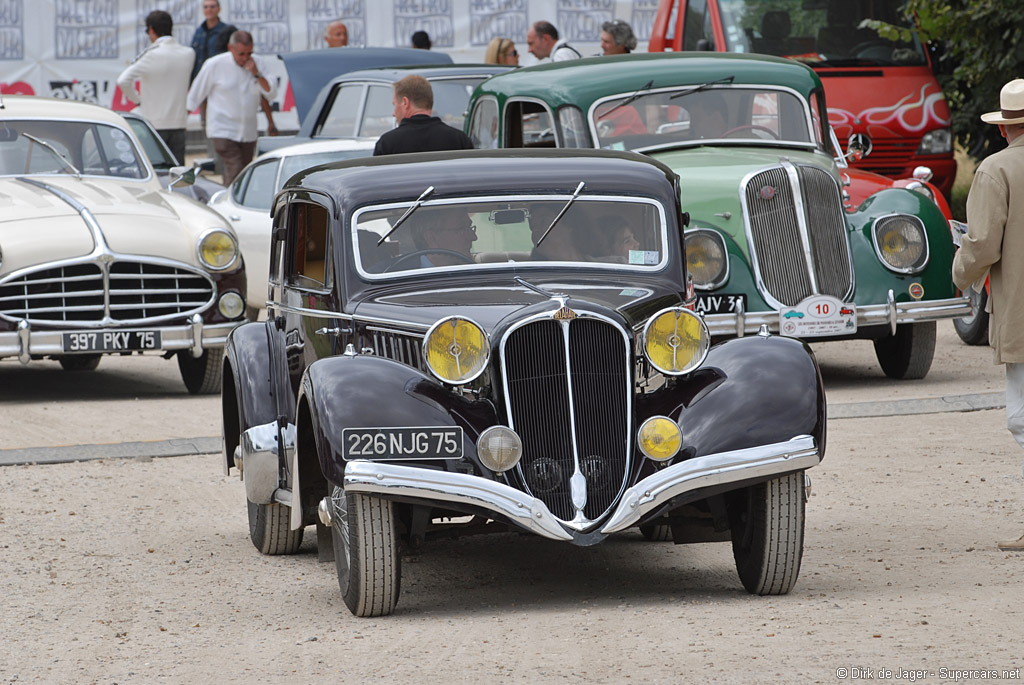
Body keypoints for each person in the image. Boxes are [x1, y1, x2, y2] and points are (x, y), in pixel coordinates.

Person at [952, 78, 1024, 552]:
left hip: (1022, 307)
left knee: (1022, 417)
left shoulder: (997, 170)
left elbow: (980, 246)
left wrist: (959, 275)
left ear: (1003, 129)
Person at [186, 30, 277, 185]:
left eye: (249, 53)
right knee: (235, 167)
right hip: (223, 129)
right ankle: (228, 204)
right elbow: (195, 94)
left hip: (248, 132)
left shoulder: (257, 63)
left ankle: (237, 202)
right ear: (230, 48)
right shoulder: (215, 64)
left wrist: (256, 73)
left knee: (246, 171)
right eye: (241, 54)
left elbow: (270, 93)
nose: (245, 58)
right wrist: (183, 120)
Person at [116, 10, 195, 164]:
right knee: (177, 174)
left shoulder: (151, 55)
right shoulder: (188, 53)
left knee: (156, 172)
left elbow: (123, 81)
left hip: (154, 124)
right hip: (179, 123)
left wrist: (139, 101)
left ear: (151, 29)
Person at [372, 75, 474, 156]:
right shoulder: (459, 140)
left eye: (394, 105)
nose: (394, 114)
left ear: (405, 102)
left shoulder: (387, 144)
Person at [409, 207, 477, 267]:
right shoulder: (404, 275)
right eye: (462, 230)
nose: (473, 237)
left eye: (470, 228)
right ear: (432, 239)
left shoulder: (477, 274)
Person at [189, 0, 234, 83]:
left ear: (219, 9)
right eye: (206, 7)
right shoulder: (199, 32)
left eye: (212, 7)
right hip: (199, 77)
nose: (209, 10)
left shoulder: (226, 31)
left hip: (218, 78)